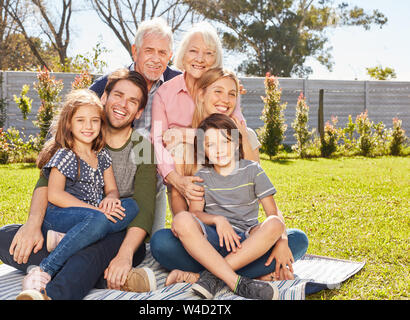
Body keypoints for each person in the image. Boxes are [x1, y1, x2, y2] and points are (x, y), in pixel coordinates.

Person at [0, 69, 158, 300]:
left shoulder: (143, 148)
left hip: (117, 233)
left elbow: (144, 207)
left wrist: (125, 254)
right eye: (118, 95)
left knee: (97, 244)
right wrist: (32, 225)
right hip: (75, 222)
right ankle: (113, 279)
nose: (123, 104)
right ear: (104, 98)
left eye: (132, 101)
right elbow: (46, 184)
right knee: (6, 238)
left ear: (139, 111)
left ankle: (51, 293)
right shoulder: (79, 137)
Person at [150, 114, 309, 297]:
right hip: (209, 244)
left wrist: (282, 241)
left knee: (293, 237)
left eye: (224, 142)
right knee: (169, 233)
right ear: (203, 149)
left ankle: (206, 276)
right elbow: (195, 213)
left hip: (247, 245)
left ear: (235, 142)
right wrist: (218, 220)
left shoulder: (253, 170)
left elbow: (272, 214)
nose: (219, 150)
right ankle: (236, 279)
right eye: (210, 145)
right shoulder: (203, 176)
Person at [91, 17, 181, 235]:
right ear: (135, 51)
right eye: (149, 50)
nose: (156, 59)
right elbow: (70, 126)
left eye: (163, 53)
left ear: (170, 55)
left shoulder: (178, 85)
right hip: (106, 179)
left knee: (146, 244)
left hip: (151, 182)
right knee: (99, 237)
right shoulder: (108, 85)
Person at [151, 22, 247, 206]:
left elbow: (236, 130)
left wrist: (184, 134)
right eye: (193, 51)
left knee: (248, 136)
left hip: (219, 162)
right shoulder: (165, 93)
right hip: (181, 171)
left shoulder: (225, 88)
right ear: (183, 54)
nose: (200, 59)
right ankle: (183, 221)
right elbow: (157, 139)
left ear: (216, 58)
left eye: (209, 53)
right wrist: (174, 179)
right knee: (180, 149)